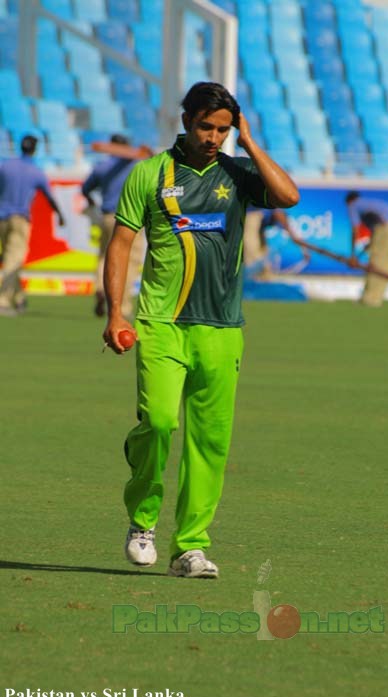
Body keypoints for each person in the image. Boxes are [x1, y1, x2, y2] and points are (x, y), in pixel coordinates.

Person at [102, 81, 299, 578]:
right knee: (162, 424)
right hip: (162, 323)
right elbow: (122, 244)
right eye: (206, 127)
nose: (214, 137)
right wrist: (115, 314)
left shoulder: (238, 171)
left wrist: (250, 144)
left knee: (209, 444)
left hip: (223, 329)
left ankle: (189, 547)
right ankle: (142, 519)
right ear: (186, 120)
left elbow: (288, 196)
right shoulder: (150, 174)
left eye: (223, 130)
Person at [0, 134, 65, 316]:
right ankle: (3, 301)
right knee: (14, 260)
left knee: (10, 259)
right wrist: (60, 214)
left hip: (2, 219)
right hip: (20, 219)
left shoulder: (5, 166)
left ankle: (19, 298)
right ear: (35, 149)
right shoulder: (36, 172)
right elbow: (49, 197)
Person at [82, 134, 144, 319]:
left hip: (108, 216)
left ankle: (101, 288)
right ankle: (122, 306)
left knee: (104, 256)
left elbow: (85, 189)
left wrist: (92, 203)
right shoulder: (137, 166)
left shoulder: (102, 167)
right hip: (132, 218)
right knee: (129, 261)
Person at [346, 191, 388, 307]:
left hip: (385, 226)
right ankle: (377, 297)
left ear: (349, 201)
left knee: (375, 263)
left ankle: (369, 299)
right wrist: (370, 245)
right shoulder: (368, 203)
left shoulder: (353, 205)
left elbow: (355, 230)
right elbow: (374, 231)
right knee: (387, 263)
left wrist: (353, 254)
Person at [243, 206, 309, 278]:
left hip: (260, 223)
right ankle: (253, 278)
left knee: (263, 254)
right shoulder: (278, 213)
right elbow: (278, 213)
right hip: (251, 212)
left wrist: (305, 251)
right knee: (252, 252)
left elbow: (297, 237)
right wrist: (292, 234)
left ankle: (264, 277)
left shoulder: (279, 216)